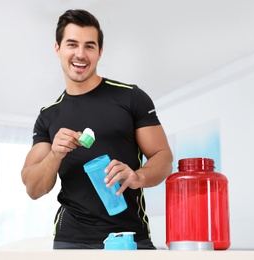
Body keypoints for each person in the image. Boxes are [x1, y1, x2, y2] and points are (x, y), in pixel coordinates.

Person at [21, 9, 173, 249]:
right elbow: (33, 187)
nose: (80, 54)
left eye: (89, 46)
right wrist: (55, 155)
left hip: (130, 237)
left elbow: (163, 157)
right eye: (72, 44)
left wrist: (138, 176)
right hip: (71, 241)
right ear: (57, 48)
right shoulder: (48, 115)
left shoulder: (131, 97)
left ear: (100, 52)